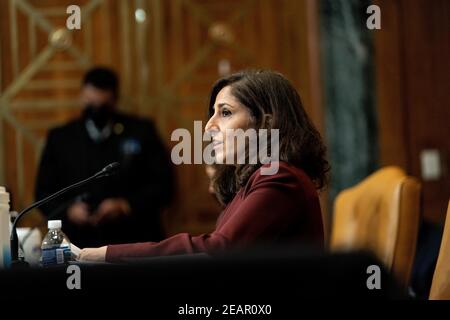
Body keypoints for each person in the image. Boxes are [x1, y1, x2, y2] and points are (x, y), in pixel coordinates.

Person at [79, 70, 329, 262]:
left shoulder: (279, 176)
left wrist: (103, 254)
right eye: (213, 112)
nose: (209, 126)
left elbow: (217, 250)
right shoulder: (258, 177)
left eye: (226, 113)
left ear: (265, 124)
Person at [35, 67, 175, 248]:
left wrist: (125, 205)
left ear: (114, 100)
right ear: (81, 97)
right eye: (90, 104)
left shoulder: (141, 131)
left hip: (134, 240)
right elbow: (43, 192)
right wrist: (69, 211)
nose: (95, 111)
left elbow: (164, 186)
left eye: (102, 105)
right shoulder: (60, 137)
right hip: (78, 242)